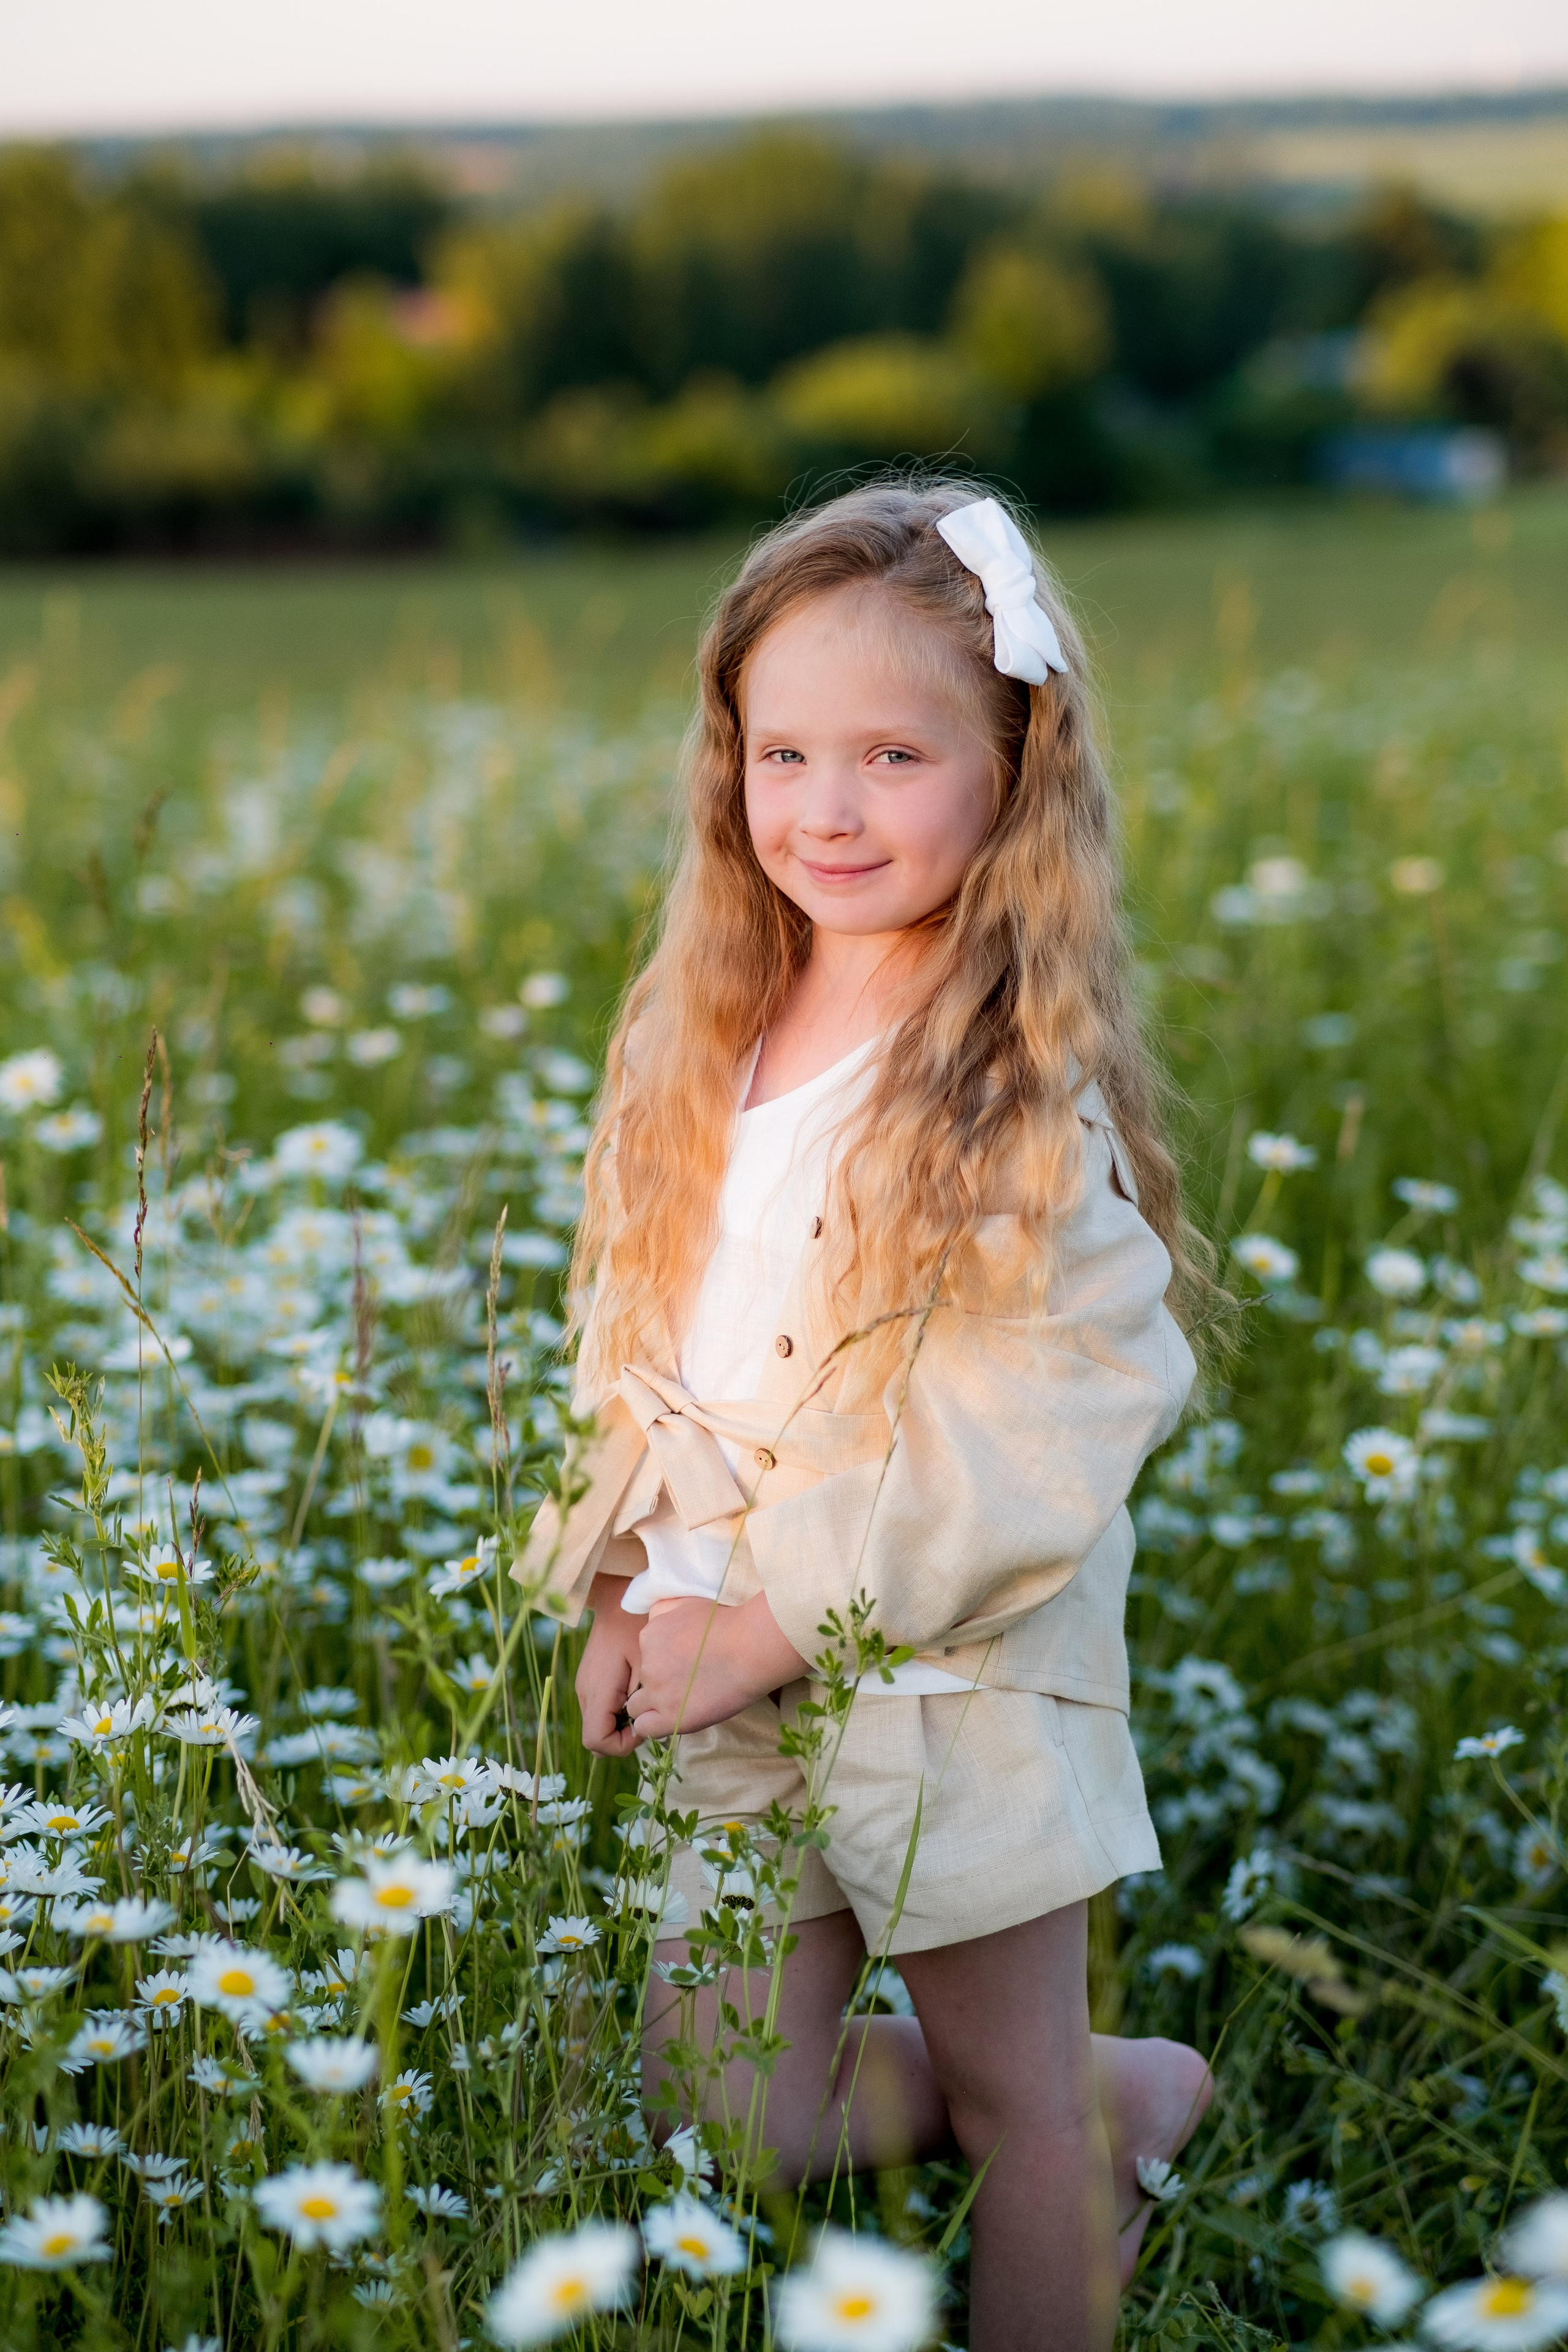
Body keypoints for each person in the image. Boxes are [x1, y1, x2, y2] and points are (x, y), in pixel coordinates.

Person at [517, 480, 1215, 2350]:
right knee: (719, 2104)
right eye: (786, 753)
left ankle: (1081, 2134)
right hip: (725, 1667)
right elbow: (641, 1342)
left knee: (1012, 2100)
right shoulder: (708, 1035)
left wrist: (773, 1619)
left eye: (895, 756)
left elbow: (1047, 1421)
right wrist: (619, 1579)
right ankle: (1141, 2090)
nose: (827, 807)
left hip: (947, 1680)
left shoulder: (1006, 1095)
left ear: (1012, 774)